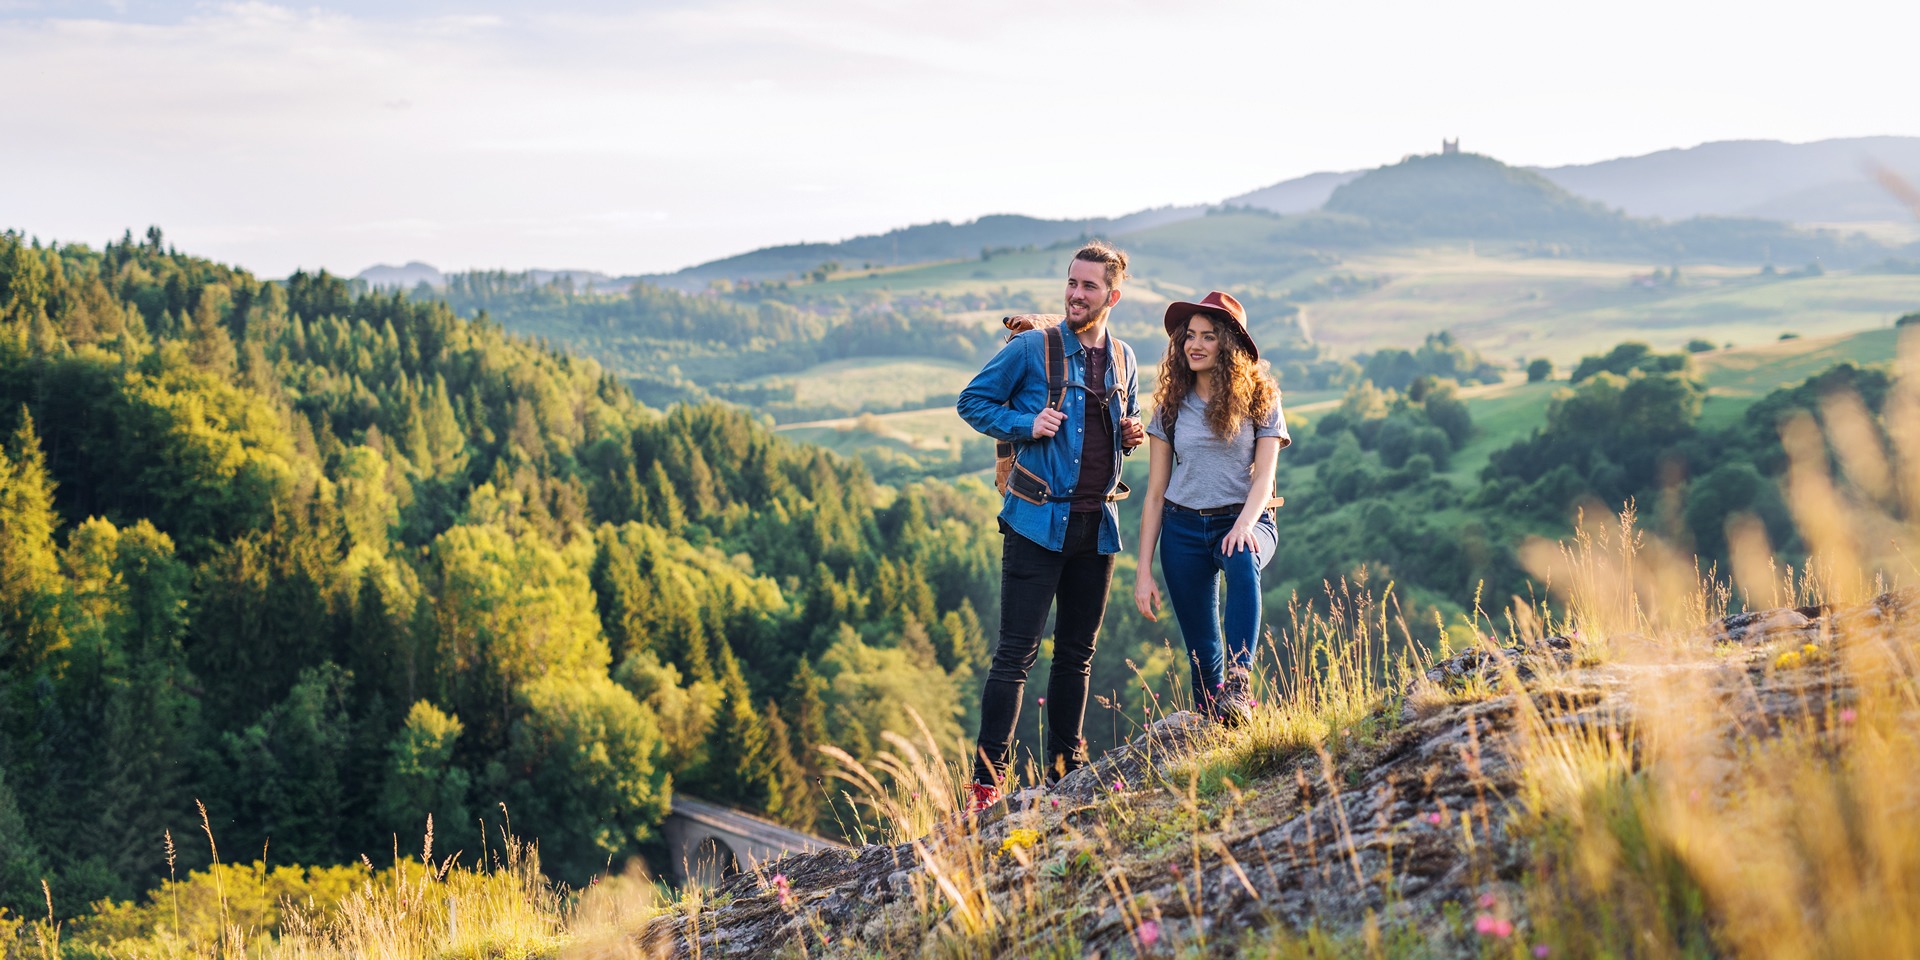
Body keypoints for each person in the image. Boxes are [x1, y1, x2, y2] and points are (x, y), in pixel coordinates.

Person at [955, 241, 1145, 810]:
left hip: (1097, 528)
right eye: (1071, 283)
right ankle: (987, 787)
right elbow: (971, 402)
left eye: (1089, 286)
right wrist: (1026, 422)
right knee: (1015, 656)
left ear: (1113, 295)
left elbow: (1119, 421)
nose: (1076, 295)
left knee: (1076, 658)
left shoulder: (1126, 358)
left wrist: (1128, 435)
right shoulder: (1033, 349)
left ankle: (1066, 773)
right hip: (1035, 523)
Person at [1132, 291, 1288, 725]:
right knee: (1202, 657)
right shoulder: (1170, 407)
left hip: (1245, 518)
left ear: (1229, 345)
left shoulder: (1261, 398)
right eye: (1190, 336)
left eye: (1208, 337)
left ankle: (1239, 684)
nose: (1195, 345)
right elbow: (1155, 494)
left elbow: (1263, 477)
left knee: (1242, 556)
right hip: (1182, 528)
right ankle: (1215, 729)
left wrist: (1244, 525)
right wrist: (1143, 571)